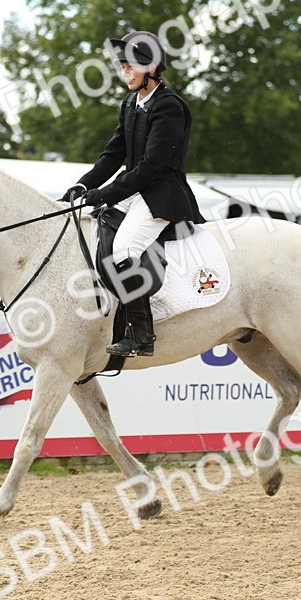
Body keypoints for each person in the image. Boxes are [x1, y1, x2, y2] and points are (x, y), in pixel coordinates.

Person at [60, 30, 205, 357]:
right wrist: (83, 185)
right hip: (134, 189)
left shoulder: (169, 106)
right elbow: (113, 155)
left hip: (161, 194)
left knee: (124, 249)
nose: (123, 72)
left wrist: (105, 194)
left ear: (151, 67)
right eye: (121, 66)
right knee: (87, 226)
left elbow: (152, 166)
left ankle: (142, 334)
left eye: (130, 66)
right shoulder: (130, 103)